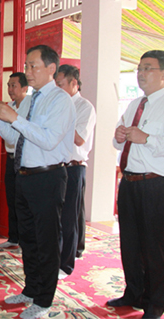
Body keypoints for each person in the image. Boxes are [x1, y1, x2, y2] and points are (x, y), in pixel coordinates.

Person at [0, 45, 75, 319]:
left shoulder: (60, 101)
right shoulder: (29, 100)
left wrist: (14, 118)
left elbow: (48, 139)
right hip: (24, 176)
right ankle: (31, 288)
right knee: (28, 239)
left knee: (46, 241)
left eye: (32, 66)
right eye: (26, 66)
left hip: (48, 176)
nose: (27, 71)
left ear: (51, 69)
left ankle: (44, 300)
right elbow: (14, 139)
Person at [111, 50, 164, 318]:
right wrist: (120, 136)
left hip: (157, 185)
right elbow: (117, 140)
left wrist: (147, 139)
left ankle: (155, 304)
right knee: (130, 243)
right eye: (139, 68)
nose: (140, 73)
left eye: (147, 68)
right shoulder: (135, 103)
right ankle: (133, 292)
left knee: (154, 247)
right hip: (129, 182)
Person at [55, 64, 96, 278]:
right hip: (56, 167)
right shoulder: (58, 106)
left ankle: (66, 265)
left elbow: (79, 138)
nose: (57, 88)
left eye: (60, 84)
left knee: (69, 217)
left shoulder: (84, 107)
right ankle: (58, 256)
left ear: (74, 83)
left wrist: (60, 120)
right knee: (57, 216)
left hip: (74, 166)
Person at [0, 72, 29, 248]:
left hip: (24, 160)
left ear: (25, 88)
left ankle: (24, 240)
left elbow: (16, 137)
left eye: (14, 86)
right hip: (10, 158)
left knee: (23, 201)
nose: (10, 89)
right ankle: (13, 237)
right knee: (11, 198)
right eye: (9, 85)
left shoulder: (29, 107)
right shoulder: (8, 106)